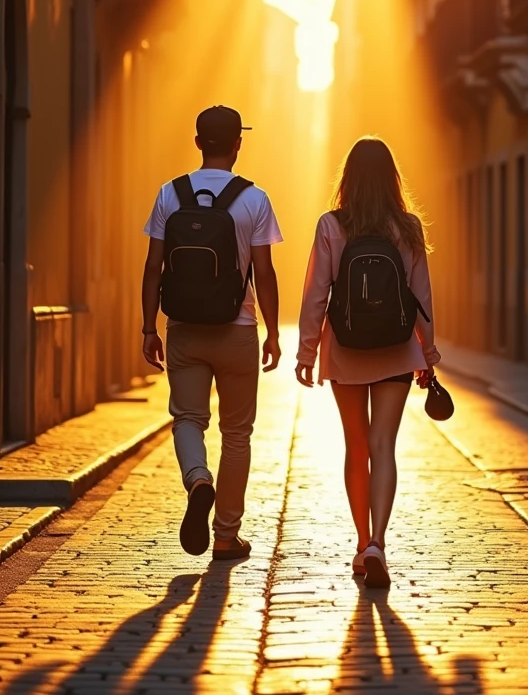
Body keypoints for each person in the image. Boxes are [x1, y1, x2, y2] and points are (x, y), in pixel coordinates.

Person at [296, 137, 440, 588]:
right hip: (397, 350)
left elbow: (316, 292)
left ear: (348, 179)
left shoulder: (331, 225)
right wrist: (428, 354)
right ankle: (379, 541)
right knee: (384, 446)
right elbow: (422, 299)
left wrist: (306, 350)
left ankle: (361, 545)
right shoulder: (409, 228)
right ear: (392, 180)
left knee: (356, 447)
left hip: (346, 351)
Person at [141, 105, 283, 560]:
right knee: (237, 433)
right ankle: (225, 535)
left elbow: (152, 267)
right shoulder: (254, 199)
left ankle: (197, 478)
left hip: (183, 326)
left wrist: (149, 327)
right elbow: (264, 271)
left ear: (199, 142)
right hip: (237, 328)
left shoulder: (169, 194)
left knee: (187, 418)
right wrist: (274, 332)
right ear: (237, 145)